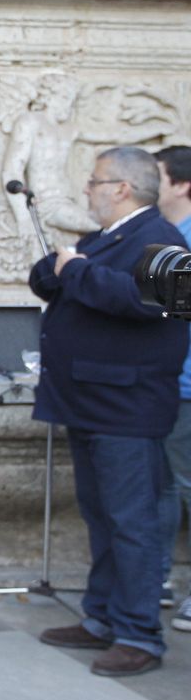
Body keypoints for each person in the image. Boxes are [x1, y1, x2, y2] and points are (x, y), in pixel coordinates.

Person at [31, 146, 188, 678]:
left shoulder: (162, 239)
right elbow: (51, 277)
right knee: (101, 517)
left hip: (128, 407)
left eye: (95, 181)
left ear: (122, 188)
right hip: (90, 403)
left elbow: (150, 302)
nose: (87, 189)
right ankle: (101, 617)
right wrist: (62, 268)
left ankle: (139, 634)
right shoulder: (104, 238)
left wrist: (77, 271)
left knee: (132, 522)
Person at [157, 145, 191, 633]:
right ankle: (155, 576)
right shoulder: (166, 237)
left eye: (157, 176)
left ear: (182, 184)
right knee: (162, 485)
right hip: (165, 383)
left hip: (186, 385)